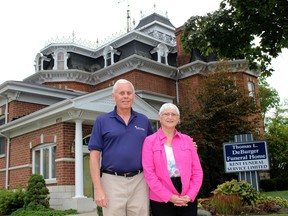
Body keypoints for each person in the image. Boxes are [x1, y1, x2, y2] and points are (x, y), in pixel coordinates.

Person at [88, 79, 154, 216]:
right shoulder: (102, 121)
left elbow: (156, 147)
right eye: (121, 93)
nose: (126, 96)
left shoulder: (143, 120)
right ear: (114, 96)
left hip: (139, 181)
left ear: (134, 96)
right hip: (111, 181)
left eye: (129, 93)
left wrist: (185, 145)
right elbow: (94, 157)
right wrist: (98, 189)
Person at [142, 103, 203, 216]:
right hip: (160, 195)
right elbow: (149, 173)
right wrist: (169, 197)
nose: (170, 117)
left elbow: (197, 171)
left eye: (174, 114)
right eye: (166, 114)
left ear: (178, 119)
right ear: (160, 118)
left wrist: (190, 195)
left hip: (186, 195)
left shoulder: (188, 140)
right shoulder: (149, 141)